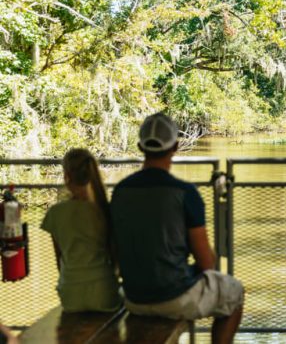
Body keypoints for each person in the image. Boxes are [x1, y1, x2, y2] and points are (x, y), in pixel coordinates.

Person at [110, 113, 244, 344]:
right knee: (235, 293)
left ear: (140, 146)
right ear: (175, 146)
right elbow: (206, 262)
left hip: (133, 297)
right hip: (174, 297)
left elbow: (114, 250)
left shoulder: (120, 191)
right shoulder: (185, 193)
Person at [41, 148, 121, 312]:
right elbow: (114, 255)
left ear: (66, 176)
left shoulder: (55, 213)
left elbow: (60, 260)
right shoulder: (105, 210)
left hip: (70, 295)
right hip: (104, 293)